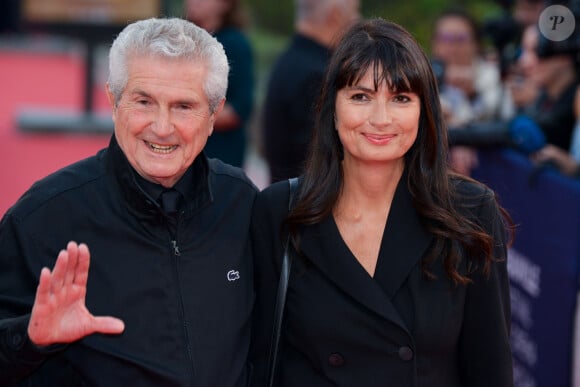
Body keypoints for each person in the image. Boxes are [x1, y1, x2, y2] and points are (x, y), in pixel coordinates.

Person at [250, 18, 514, 386]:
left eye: (400, 98)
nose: (380, 119)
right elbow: (261, 358)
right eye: (361, 96)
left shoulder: (469, 212)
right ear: (333, 108)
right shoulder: (280, 211)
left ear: (424, 112)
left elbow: (491, 368)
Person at [0, 17, 257, 386]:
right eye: (144, 101)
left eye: (184, 106)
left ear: (213, 115)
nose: (162, 127)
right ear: (112, 101)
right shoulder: (43, 218)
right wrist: (30, 339)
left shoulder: (241, 202)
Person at [261, 0, 360, 183]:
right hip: (307, 202)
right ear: (335, 15)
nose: (358, 20)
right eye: (355, 13)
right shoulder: (318, 74)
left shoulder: (290, 61)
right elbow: (324, 156)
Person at [431, 7, 506, 176]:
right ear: (434, 43)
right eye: (445, 38)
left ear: (476, 43)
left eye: (461, 38)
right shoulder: (422, 73)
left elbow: (503, 117)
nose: (452, 46)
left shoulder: (493, 74)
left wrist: (472, 94)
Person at [185, 0, 255, 168]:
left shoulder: (235, 43)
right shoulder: (182, 41)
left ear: (226, 4)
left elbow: (239, 109)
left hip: (218, 155)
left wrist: (187, 115)